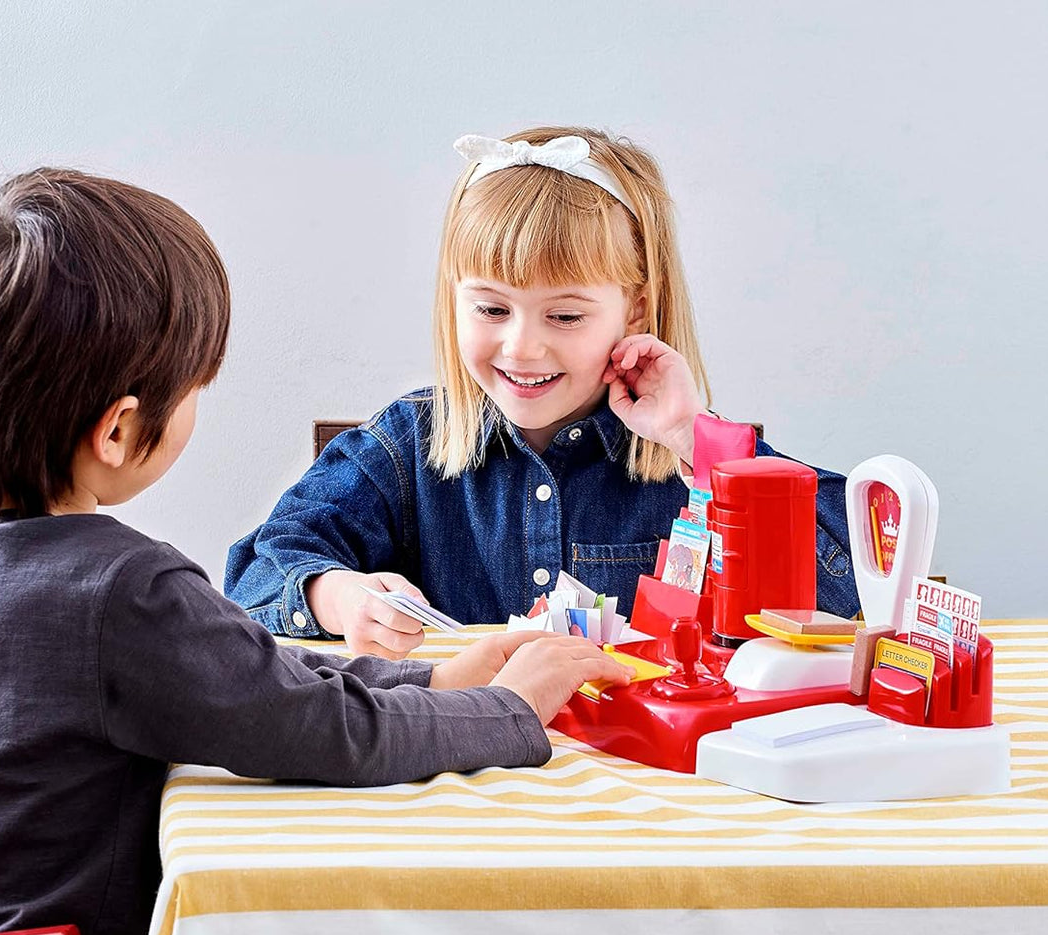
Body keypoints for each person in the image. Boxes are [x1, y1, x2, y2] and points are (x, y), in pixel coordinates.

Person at [0, 169, 628, 935]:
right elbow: (321, 734)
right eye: (194, 389)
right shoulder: (119, 589)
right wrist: (508, 710)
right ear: (121, 429)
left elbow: (248, 679)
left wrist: (432, 683)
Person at [226, 127, 859, 658]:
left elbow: (854, 589)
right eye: (492, 309)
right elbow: (257, 571)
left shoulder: (688, 452)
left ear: (636, 309)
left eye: (564, 317)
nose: (522, 347)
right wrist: (339, 597)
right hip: (460, 775)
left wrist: (697, 442)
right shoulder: (405, 448)